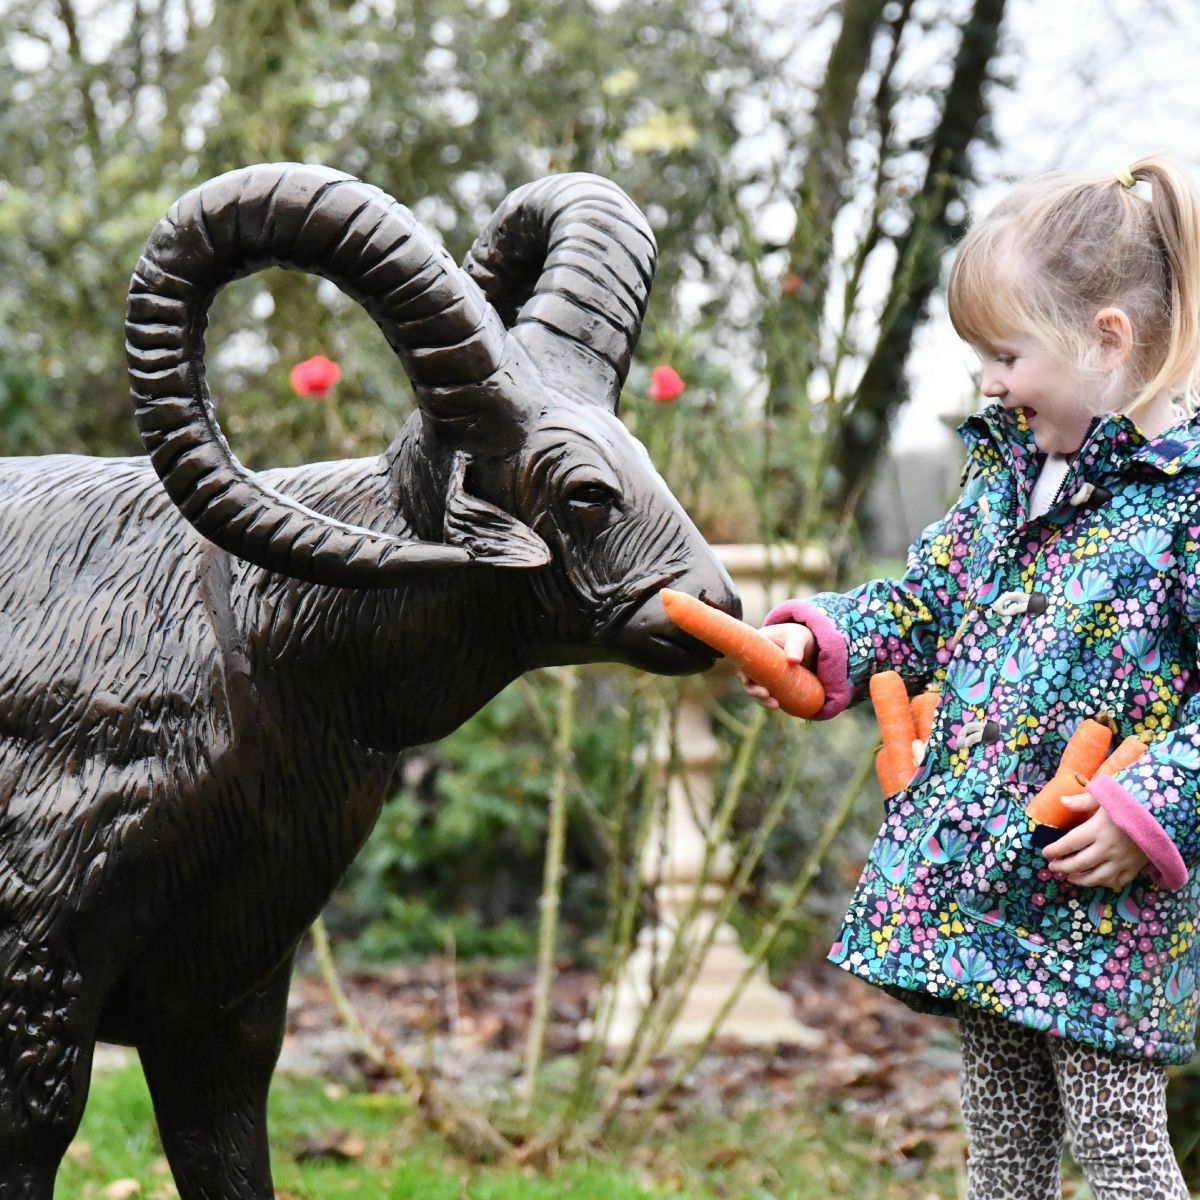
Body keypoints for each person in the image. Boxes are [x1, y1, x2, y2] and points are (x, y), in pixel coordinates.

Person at [742, 155, 1200, 1200]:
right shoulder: (1006, 479)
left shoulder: (1184, 500)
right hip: (982, 890)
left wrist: (1148, 810)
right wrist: (827, 641)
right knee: (1001, 1151)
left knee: (1114, 1140)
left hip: (1098, 905)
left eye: (1006, 353)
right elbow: (925, 605)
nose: (990, 381)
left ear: (1107, 340)